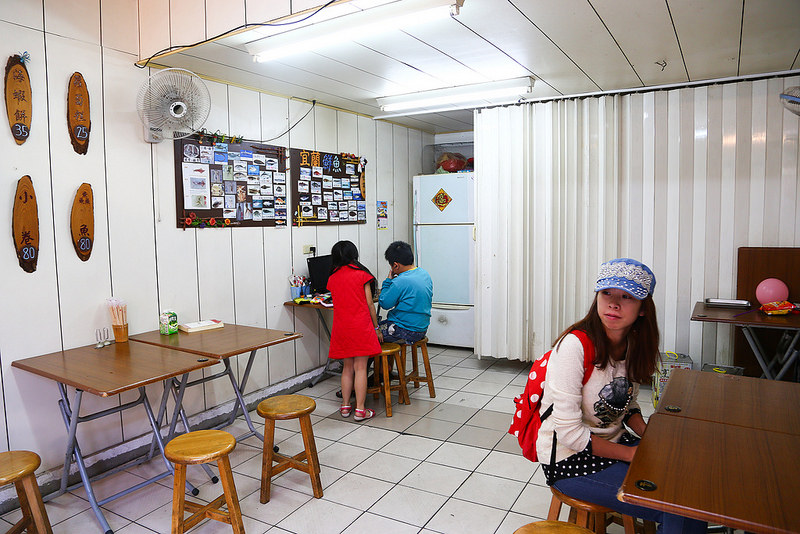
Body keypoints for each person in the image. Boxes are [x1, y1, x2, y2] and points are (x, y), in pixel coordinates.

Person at [536, 258, 706, 534]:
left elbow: (627, 405)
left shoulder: (635, 345)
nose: (614, 304)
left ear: (642, 308)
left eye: (627, 297)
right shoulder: (574, 346)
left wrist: (650, 436)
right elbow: (569, 434)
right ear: (597, 298)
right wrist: (631, 454)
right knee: (676, 505)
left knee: (691, 493)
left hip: (613, 442)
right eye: (607, 294)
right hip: (570, 460)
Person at [326, 240, 381, 421]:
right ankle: (360, 410)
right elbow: (370, 304)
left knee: (347, 368)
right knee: (361, 368)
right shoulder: (362, 275)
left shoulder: (332, 278)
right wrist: (376, 327)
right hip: (361, 327)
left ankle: (344, 407)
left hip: (342, 328)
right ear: (354, 254)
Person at [377, 241, 433, 345]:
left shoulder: (400, 281)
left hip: (403, 330)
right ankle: (386, 361)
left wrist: (388, 281)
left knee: (369, 333)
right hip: (421, 328)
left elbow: (384, 303)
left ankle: (359, 362)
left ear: (395, 266)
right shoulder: (424, 274)